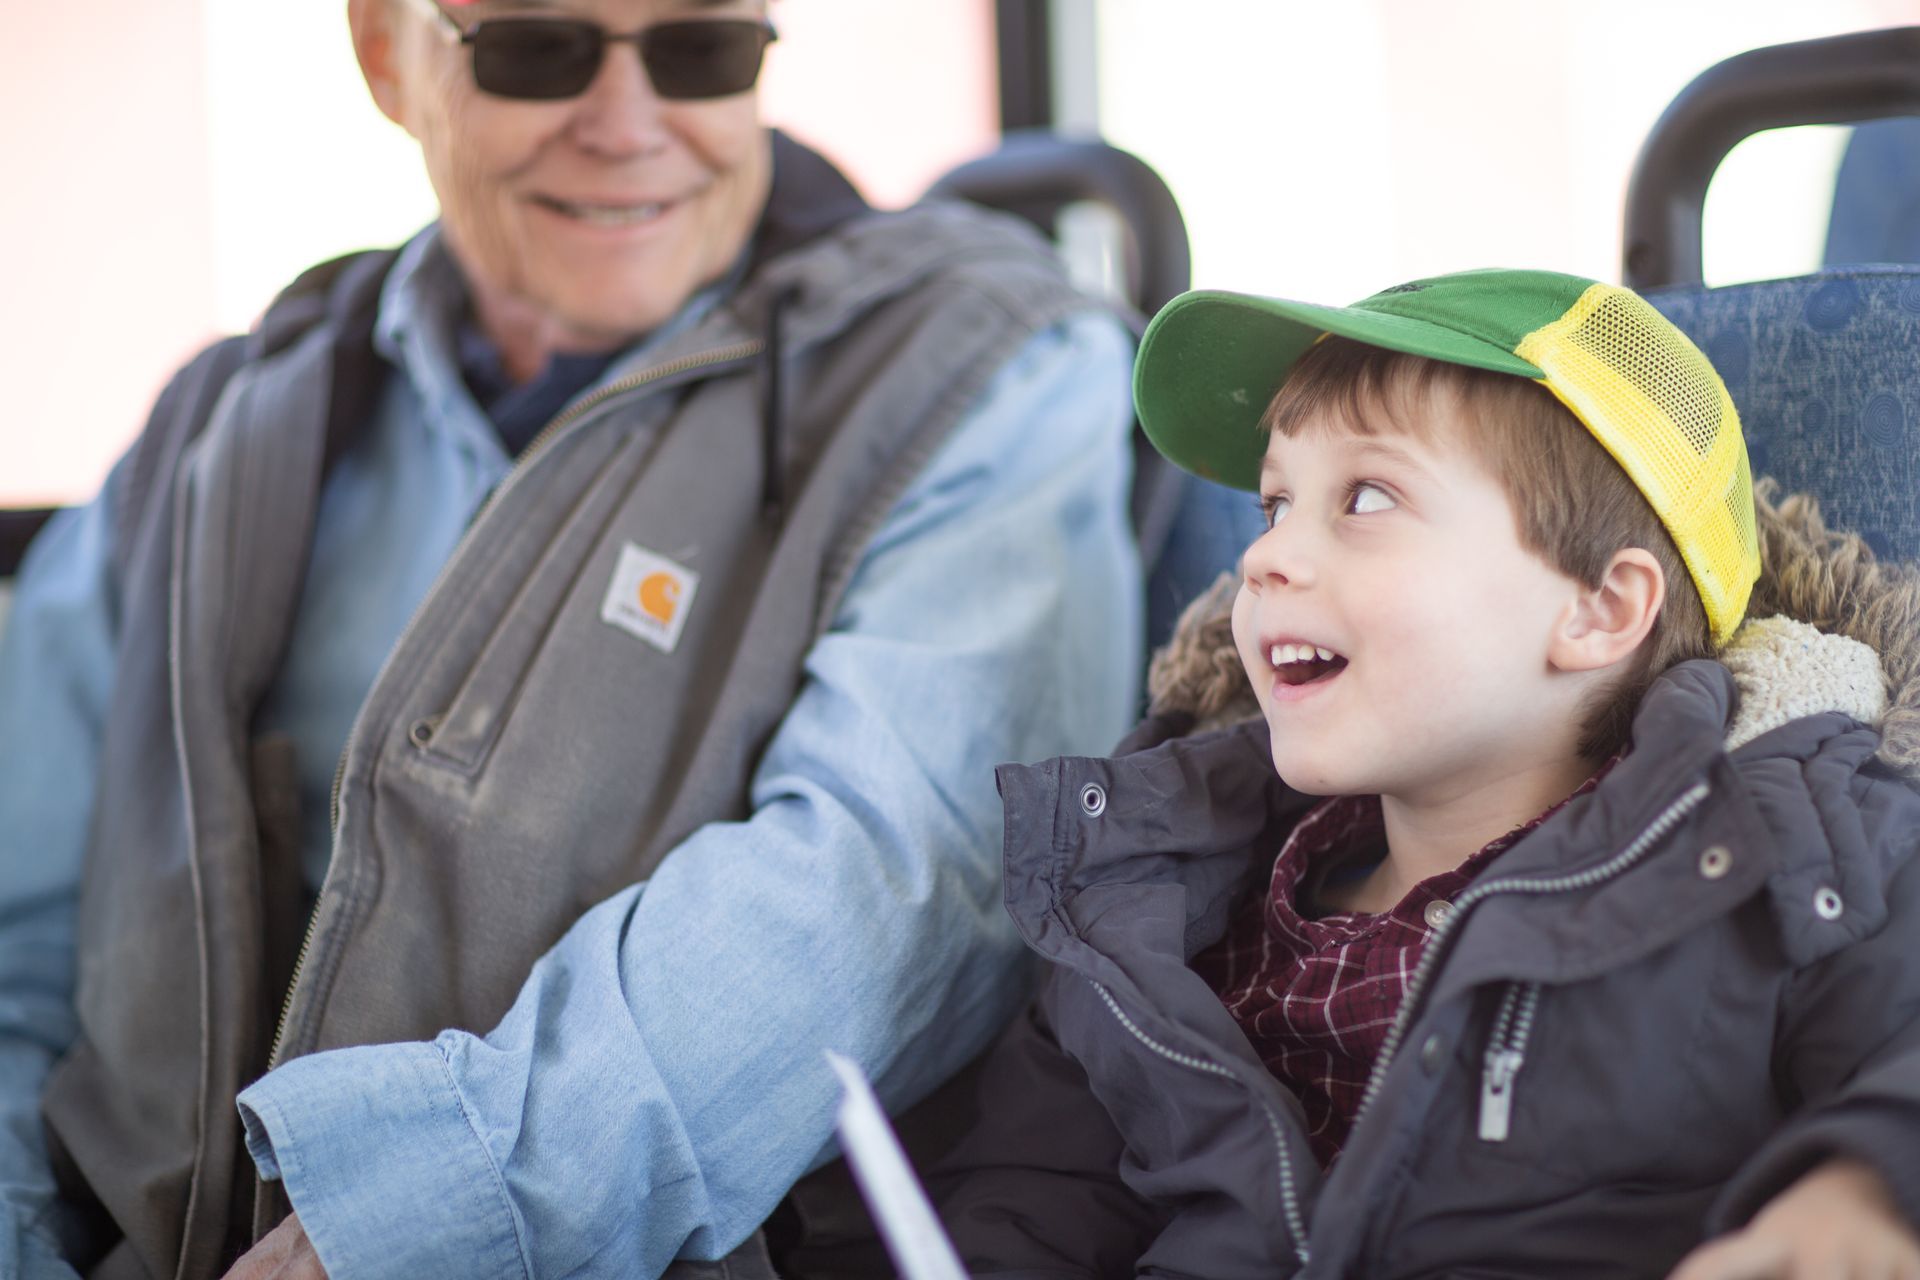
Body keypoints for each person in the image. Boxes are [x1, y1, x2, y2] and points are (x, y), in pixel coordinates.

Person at [0, 0, 1145, 1276]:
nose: (627, 125)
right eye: (537, 51)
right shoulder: (215, 432)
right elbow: (16, 937)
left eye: (699, 49)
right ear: (386, 55)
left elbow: (892, 882)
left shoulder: (988, 367)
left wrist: (392, 1231)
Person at [916, 269, 1920, 1277]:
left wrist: (1864, 1189)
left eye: (1365, 497)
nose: (1263, 559)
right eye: (1274, 504)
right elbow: (1028, 1198)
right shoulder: (1154, 899)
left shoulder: (1792, 845)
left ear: (1600, 610)